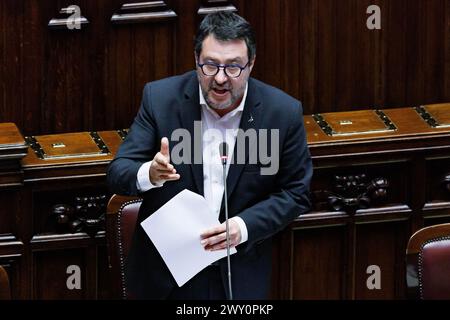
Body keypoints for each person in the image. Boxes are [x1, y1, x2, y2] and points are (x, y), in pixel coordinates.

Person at [107, 11, 312, 300]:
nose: (220, 79)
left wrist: (242, 227)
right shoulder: (161, 99)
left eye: (233, 68)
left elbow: (295, 193)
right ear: (196, 60)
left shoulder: (282, 113)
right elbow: (118, 173)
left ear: (251, 64)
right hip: (166, 277)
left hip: (238, 274)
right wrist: (149, 174)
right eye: (210, 65)